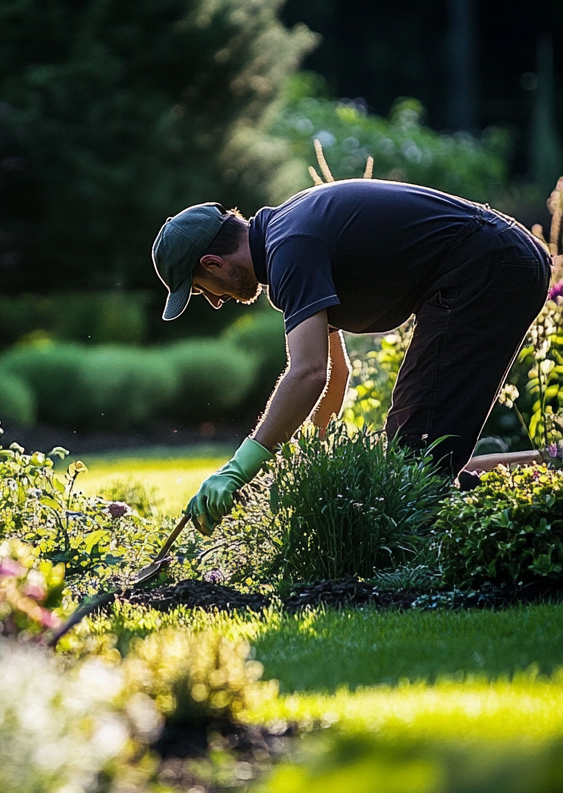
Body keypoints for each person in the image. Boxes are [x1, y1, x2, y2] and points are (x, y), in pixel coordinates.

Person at [152, 179, 551, 536]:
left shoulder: (290, 247)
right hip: (498, 259)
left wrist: (238, 469)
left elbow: (307, 374)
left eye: (204, 289)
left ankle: (516, 527)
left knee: (416, 458)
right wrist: (310, 455)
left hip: (489, 265)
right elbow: (334, 374)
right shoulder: (287, 236)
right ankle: (534, 497)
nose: (216, 302)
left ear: (213, 263)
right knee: (417, 457)